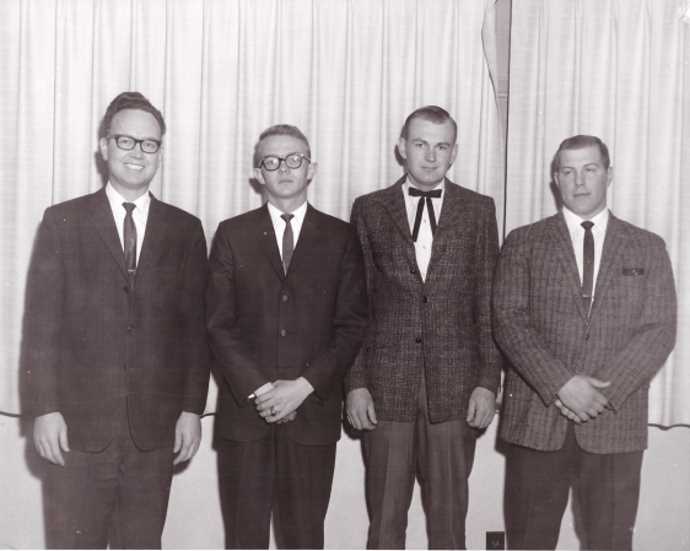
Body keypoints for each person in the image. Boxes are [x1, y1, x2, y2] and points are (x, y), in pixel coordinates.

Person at [22, 91, 210, 548]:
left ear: (160, 153)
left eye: (149, 144)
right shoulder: (63, 221)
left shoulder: (185, 229)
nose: (137, 153)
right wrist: (44, 410)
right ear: (104, 146)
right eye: (126, 140)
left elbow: (195, 332)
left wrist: (191, 408)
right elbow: (41, 325)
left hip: (154, 429)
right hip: (78, 428)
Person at [493, 134, 677, 550]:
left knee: (610, 542)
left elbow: (660, 328)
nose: (579, 181)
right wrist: (562, 384)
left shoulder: (647, 247)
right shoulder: (523, 242)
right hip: (537, 423)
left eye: (589, 169)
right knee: (529, 542)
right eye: (568, 171)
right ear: (555, 179)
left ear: (608, 175)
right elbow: (508, 321)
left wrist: (600, 393)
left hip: (615, 425)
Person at [345, 105, 502, 549]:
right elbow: (356, 307)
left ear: (454, 153)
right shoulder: (370, 209)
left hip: (455, 391)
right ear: (401, 148)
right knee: (385, 525)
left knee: (450, 526)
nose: (430, 157)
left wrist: (488, 383)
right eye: (420, 145)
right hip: (384, 390)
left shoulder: (478, 210)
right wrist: (355, 383)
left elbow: (489, 304)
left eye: (441, 146)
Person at [207, 124, 367, 549]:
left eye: (294, 159)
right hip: (246, 417)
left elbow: (352, 326)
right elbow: (218, 325)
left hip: (311, 414)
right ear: (257, 173)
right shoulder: (231, 234)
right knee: (245, 539)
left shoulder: (341, 237)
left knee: (305, 539)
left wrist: (303, 387)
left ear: (311, 168)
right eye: (272, 161)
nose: (284, 168)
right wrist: (262, 390)